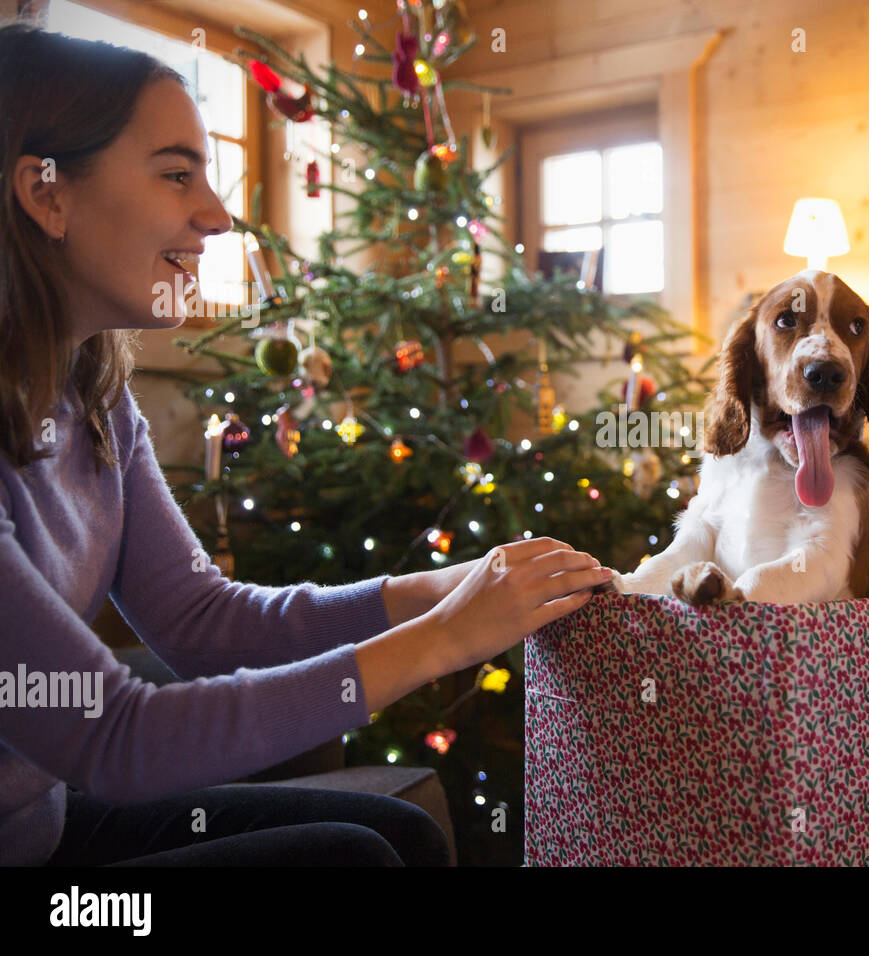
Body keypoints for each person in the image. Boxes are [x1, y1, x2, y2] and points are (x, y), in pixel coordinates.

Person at [0, 23, 613, 867]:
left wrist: (446, 588)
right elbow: (113, 736)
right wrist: (442, 640)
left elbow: (201, 622)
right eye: (177, 173)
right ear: (47, 194)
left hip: (48, 829)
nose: (216, 216)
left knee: (399, 833)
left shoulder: (100, 403)